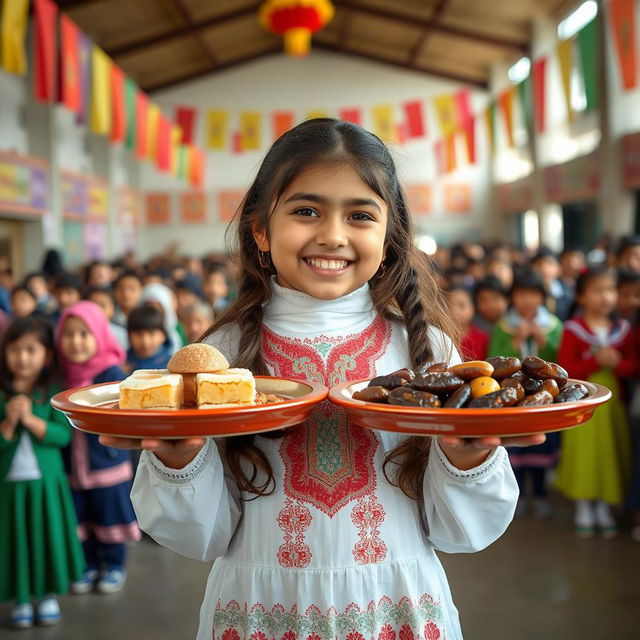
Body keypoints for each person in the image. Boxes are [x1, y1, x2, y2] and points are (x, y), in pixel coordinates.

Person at [103, 119, 539, 640]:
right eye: (306, 211)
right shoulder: (220, 358)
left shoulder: (427, 355)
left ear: (389, 235)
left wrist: (471, 455)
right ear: (261, 229)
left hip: (398, 607)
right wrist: (178, 454)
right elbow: (201, 537)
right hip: (259, 611)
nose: (332, 235)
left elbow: (459, 532)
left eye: (359, 215)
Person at [0, 316, 84, 628]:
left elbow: (63, 435)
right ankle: (21, 598)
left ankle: (47, 595)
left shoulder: (52, 392)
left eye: (30, 350)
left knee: (46, 537)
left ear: (46, 355)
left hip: (47, 485)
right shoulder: (2, 393)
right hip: (9, 488)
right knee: (16, 541)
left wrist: (32, 421)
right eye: (15, 350)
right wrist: (8, 423)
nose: (22, 358)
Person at [56, 301, 140, 594]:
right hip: (71, 466)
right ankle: (88, 564)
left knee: (109, 515)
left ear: (100, 335)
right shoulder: (59, 374)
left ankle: (114, 565)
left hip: (106, 462)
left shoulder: (110, 372)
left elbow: (122, 414)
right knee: (80, 517)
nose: (76, 342)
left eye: (84, 333)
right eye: (68, 334)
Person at [555, 267, 636, 537]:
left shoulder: (623, 329)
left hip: (613, 407)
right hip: (584, 404)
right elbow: (566, 369)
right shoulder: (573, 330)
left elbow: (634, 366)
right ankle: (583, 505)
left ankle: (603, 505)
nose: (606, 297)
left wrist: (619, 364)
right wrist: (595, 361)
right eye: (598, 290)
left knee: (610, 453)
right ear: (581, 296)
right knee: (585, 453)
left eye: (610, 290)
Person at [487, 270, 563, 517]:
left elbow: (558, 364)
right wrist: (515, 342)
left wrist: (544, 342)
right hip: (513, 396)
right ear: (513, 297)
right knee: (514, 450)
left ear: (542, 297)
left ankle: (540, 495)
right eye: (521, 294)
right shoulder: (503, 326)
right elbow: (494, 360)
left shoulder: (553, 325)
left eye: (533, 294)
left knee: (540, 445)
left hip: (542, 397)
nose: (527, 300)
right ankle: (516, 497)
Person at [444, 284, 488, 360]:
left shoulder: (483, 339)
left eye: (462, 306)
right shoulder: (441, 337)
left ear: (472, 308)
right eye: (450, 306)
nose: (455, 311)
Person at [139, 282, 184, 354]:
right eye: (149, 306)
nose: (154, 311)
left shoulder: (176, 329)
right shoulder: (136, 327)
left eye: (158, 306)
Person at [125, 303, 172, 372]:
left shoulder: (171, 364)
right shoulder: (122, 363)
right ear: (129, 335)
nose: (145, 341)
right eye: (139, 334)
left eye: (151, 334)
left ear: (163, 335)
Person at [85, 286, 129, 352]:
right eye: (94, 305)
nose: (98, 310)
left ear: (113, 309)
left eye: (103, 305)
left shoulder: (121, 334)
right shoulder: (80, 334)